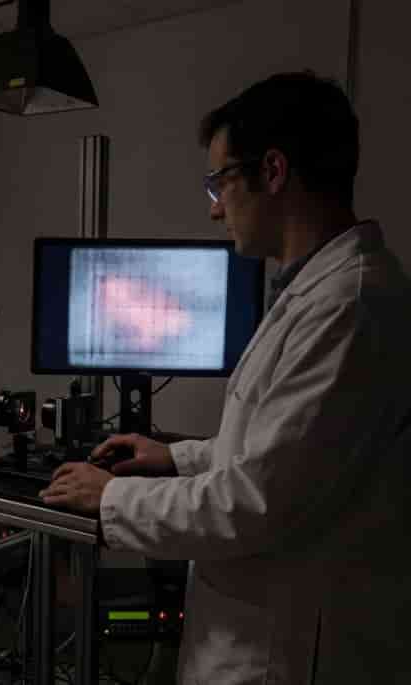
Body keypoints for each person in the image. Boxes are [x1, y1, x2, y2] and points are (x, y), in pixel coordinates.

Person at [39, 71, 411, 684]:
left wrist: (110, 497)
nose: (214, 208)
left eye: (219, 183)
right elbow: (284, 452)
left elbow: (255, 502)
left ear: (272, 171)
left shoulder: (350, 306)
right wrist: (176, 458)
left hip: (287, 651)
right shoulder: (316, 292)